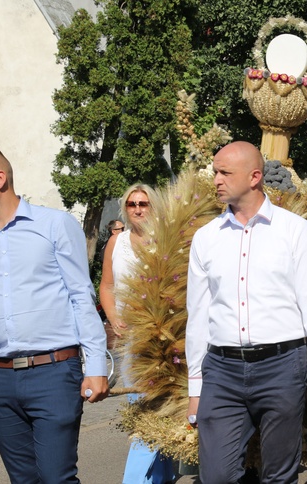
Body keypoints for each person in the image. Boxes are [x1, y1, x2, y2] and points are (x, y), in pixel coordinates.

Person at [185, 141, 307, 482]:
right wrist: (195, 388)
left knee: (279, 476)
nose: (216, 179)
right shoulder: (205, 238)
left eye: (225, 172)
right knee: (216, 476)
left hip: (282, 366)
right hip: (221, 370)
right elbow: (198, 316)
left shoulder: (294, 231)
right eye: (215, 171)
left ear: (255, 177)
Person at [0, 145, 109, 483]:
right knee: (23, 480)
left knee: (56, 477)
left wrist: (97, 366)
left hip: (55, 373)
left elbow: (80, 297)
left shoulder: (55, 224)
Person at [100, 184, 174, 483]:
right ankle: (158, 476)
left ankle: (144, 478)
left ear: (154, 207)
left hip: (164, 341)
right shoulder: (116, 243)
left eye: (143, 203)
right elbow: (106, 285)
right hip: (130, 341)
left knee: (157, 410)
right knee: (144, 409)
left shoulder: (167, 241)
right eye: (131, 204)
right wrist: (113, 316)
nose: (138, 209)